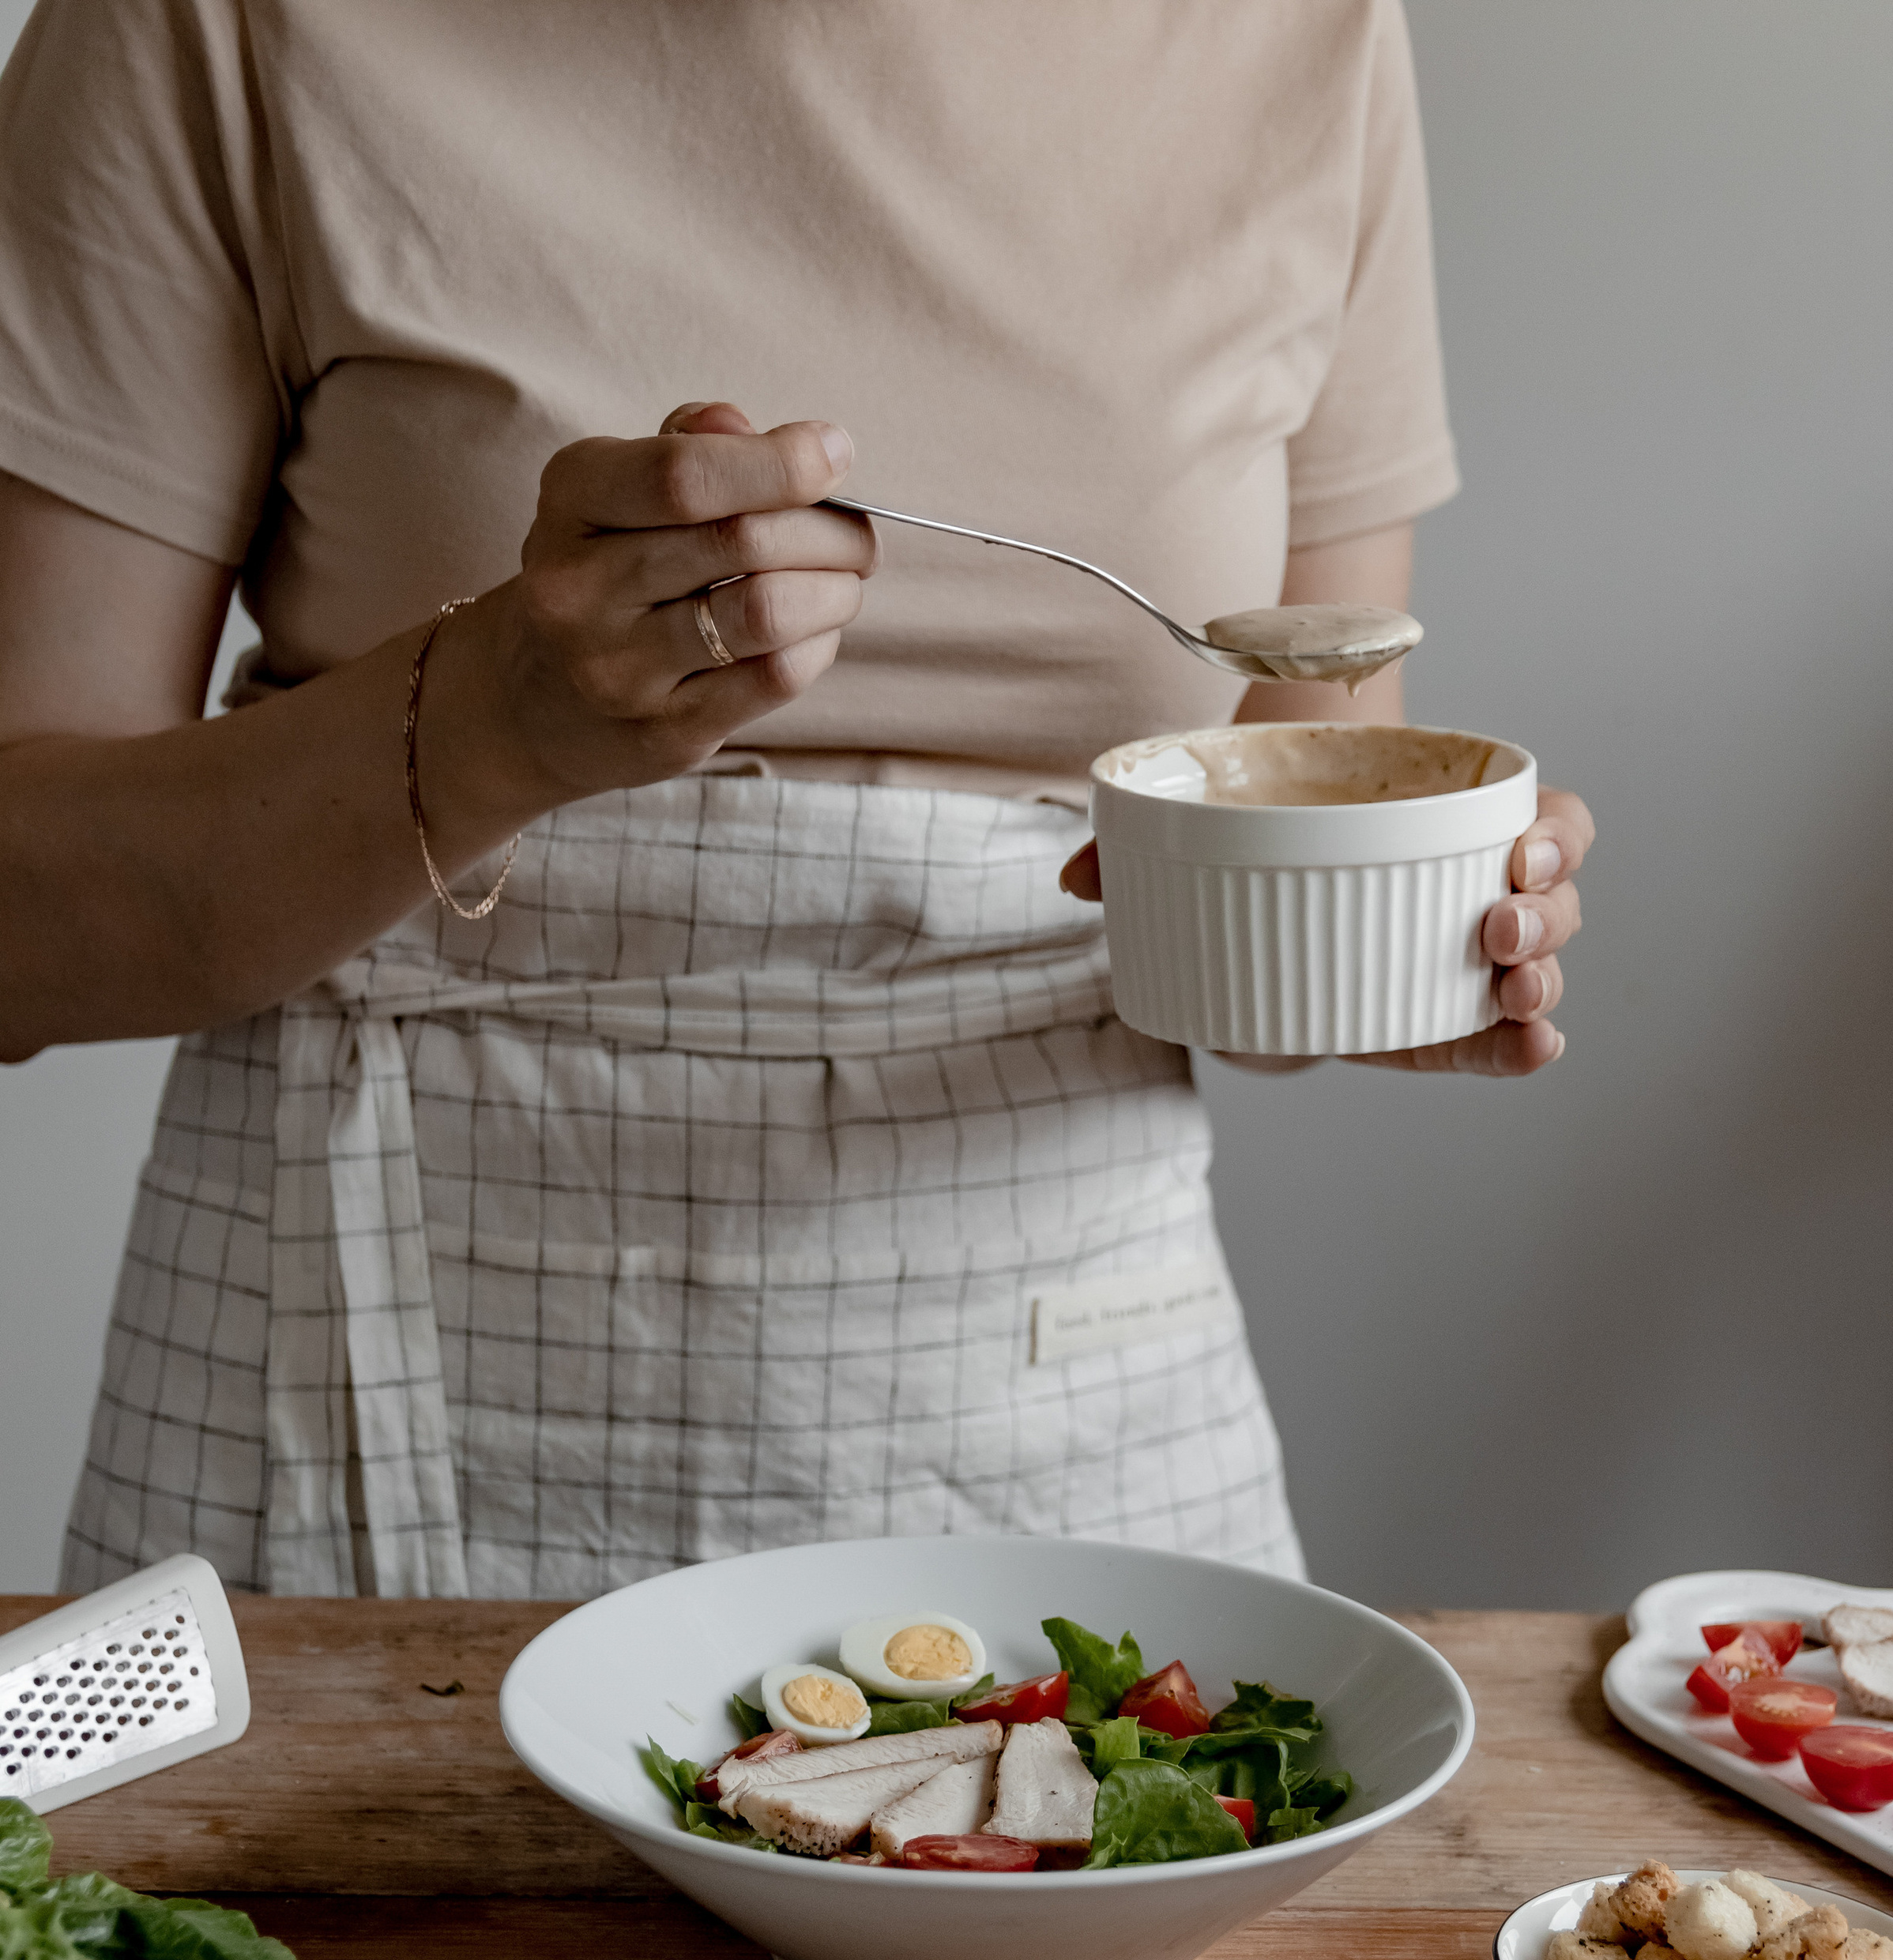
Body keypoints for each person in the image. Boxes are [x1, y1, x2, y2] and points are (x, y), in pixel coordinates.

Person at [0, 0, 1590, 1601]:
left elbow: (1292, 786)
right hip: (350, 1376)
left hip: (1066, 1395)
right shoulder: (202, 25)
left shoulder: (1295, 38)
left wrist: (1395, 945)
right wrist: (489, 717)